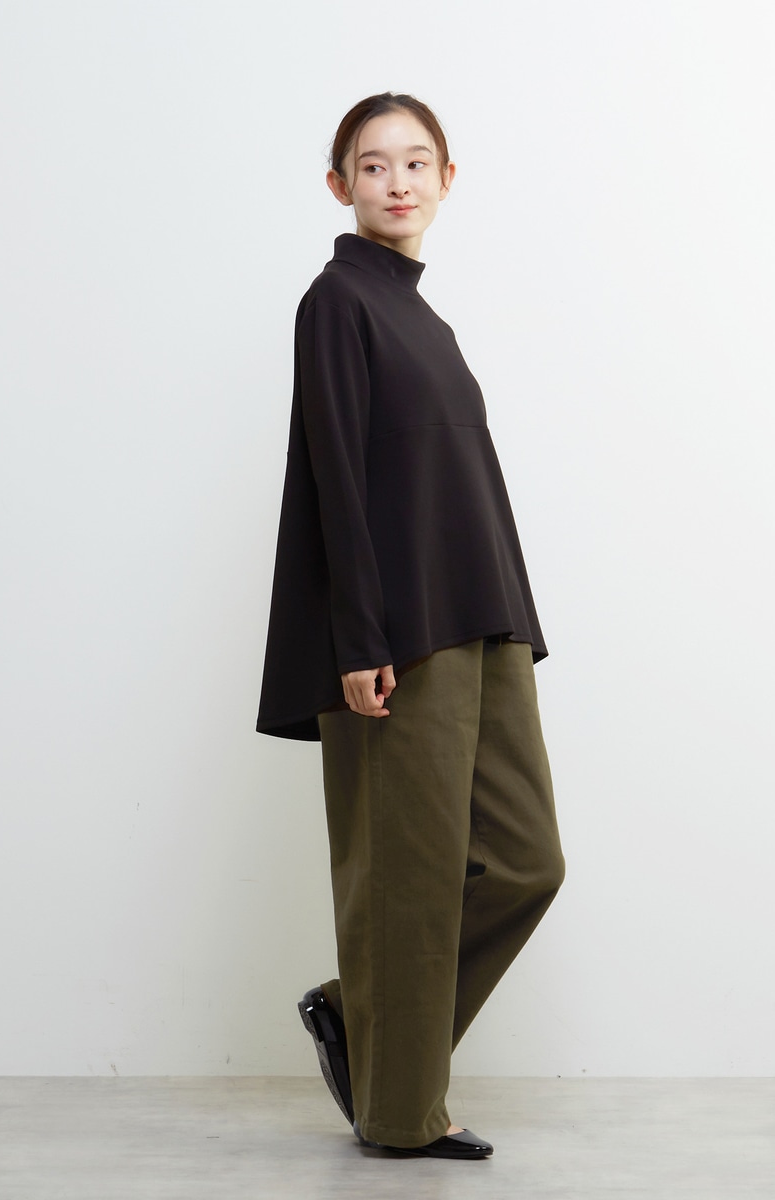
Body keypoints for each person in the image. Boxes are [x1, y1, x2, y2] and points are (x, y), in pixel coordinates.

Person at [257, 92, 565, 1160]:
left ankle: (359, 1015)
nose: (397, 181)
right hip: (400, 635)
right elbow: (335, 478)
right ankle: (400, 1114)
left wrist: (514, 620)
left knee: (525, 862)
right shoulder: (336, 301)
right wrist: (358, 640)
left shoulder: (423, 317)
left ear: (446, 179)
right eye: (373, 164)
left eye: (416, 162)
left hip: (481, 619)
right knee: (411, 875)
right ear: (339, 185)